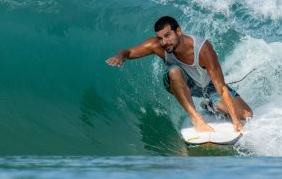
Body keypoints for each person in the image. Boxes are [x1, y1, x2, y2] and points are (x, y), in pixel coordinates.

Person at [106, 16, 253, 132]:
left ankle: (210, 105)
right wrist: (120, 56)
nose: (164, 42)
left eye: (168, 35)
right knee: (174, 71)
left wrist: (235, 121)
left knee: (247, 115)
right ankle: (197, 118)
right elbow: (129, 52)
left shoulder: (203, 49)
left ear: (178, 31)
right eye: (160, 38)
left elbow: (221, 88)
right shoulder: (157, 46)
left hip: (208, 86)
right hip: (182, 83)